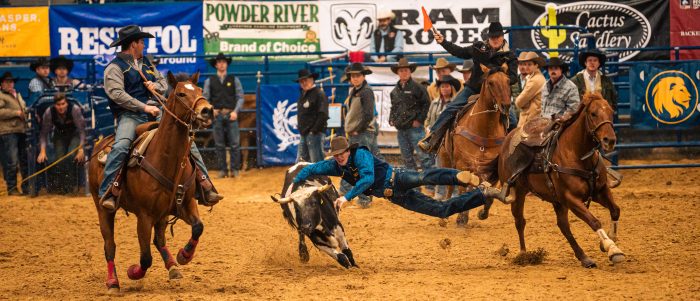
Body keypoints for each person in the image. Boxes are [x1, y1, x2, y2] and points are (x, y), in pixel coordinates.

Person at [99, 25, 222, 210]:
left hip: (156, 114)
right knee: (122, 145)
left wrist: (155, 86)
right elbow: (117, 94)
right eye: (141, 42)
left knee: (188, 142)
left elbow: (164, 83)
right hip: (130, 116)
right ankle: (109, 191)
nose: (144, 45)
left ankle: (205, 185)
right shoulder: (114, 68)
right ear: (133, 44)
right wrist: (144, 106)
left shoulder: (147, 64)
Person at [293, 136, 507, 218]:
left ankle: (459, 177)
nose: (339, 157)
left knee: (425, 177)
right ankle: (482, 194)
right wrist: (294, 181)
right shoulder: (335, 165)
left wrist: (346, 197)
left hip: (396, 178)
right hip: (396, 196)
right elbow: (313, 168)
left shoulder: (361, 155)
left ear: (349, 150)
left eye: (342, 153)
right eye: (336, 155)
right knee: (440, 210)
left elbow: (367, 179)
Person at [418, 22, 517, 153]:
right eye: (493, 37)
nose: (495, 39)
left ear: (502, 37)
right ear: (489, 38)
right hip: (473, 88)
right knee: (451, 108)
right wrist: (443, 42)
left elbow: (514, 77)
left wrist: (498, 75)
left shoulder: (510, 56)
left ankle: (511, 151)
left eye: (498, 36)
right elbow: (460, 52)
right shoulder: (479, 47)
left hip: (496, 94)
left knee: (513, 120)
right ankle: (432, 138)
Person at [341, 62, 380, 208]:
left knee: (362, 165)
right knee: (370, 162)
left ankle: (364, 199)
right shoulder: (356, 91)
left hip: (362, 133)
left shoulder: (365, 92)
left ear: (363, 76)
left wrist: (358, 128)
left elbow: (368, 114)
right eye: (353, 76)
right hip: (360, 133)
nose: (355, 78)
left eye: (358, 76)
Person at [203, 52, 244, 178]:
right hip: (217, 115)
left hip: (231, 114)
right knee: (219, 144)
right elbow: (205, 99)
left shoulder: (234, 79)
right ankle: (223, 170)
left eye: (224, 62)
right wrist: (211, 110)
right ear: (216, 65)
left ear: (226, 64)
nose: (221, 64)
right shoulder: (209, 81)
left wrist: (235, 112)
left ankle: (234, 169)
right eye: (219, 62)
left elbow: (240, 97)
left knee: (235, 144)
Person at [37, 93, 86, 194]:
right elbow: (43, 134)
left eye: (63, 104)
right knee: (60, 159)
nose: (61, 107)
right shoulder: (49, 112)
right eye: (58, 105)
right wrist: (42, 151)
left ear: (66, 103)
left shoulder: (74, 109)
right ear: (55, 105)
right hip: (59, 135)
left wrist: (81, 149)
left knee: (71, 155)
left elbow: (82, 131)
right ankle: (64, 187)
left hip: (75, 134)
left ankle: (75, 186)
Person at [389, 58, 431, 171]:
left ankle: (429, 184)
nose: (404, 73)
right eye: (401, 71)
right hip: (401, 129)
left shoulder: (418, 88)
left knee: (423, 157)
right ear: (398, 73)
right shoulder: (394, 91)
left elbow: (426, 104)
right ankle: (413, 184)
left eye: (406, 70)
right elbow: (393, 107)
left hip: (415, 128)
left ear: (410, 71)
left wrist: (419, 120)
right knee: (406, 157)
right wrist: (391, 118)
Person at [0, 72, 28, 195]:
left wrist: (25, 113)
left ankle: (26, 187)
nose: (9, 84)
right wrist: (16, 113)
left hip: (21, 130)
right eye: (6, 82)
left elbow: (24, 109)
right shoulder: (1, 96)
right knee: (12, 160)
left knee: (23, 159)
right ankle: (12, 188)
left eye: (11, 81)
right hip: (8, 131)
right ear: (2, 84)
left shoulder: (17, 95)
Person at [294, 68, 328, 163]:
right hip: (305, 133)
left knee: (315, 162)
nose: (304, 83)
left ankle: (321, 178)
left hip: (314, 134)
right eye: (301, 81)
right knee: (301, 163)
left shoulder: (319, 94)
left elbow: (323, 114)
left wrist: (314, 130)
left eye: (306, 80)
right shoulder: (303, 95)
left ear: (312, 79)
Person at [513, 52, 546, 128]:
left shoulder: (534, 80)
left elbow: (518, 102)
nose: (526, 67)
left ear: (536, 65)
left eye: (529, 64)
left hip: (530, 120)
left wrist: (524, 103)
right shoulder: (536, 77)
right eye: (525, 64)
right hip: (532, 118)